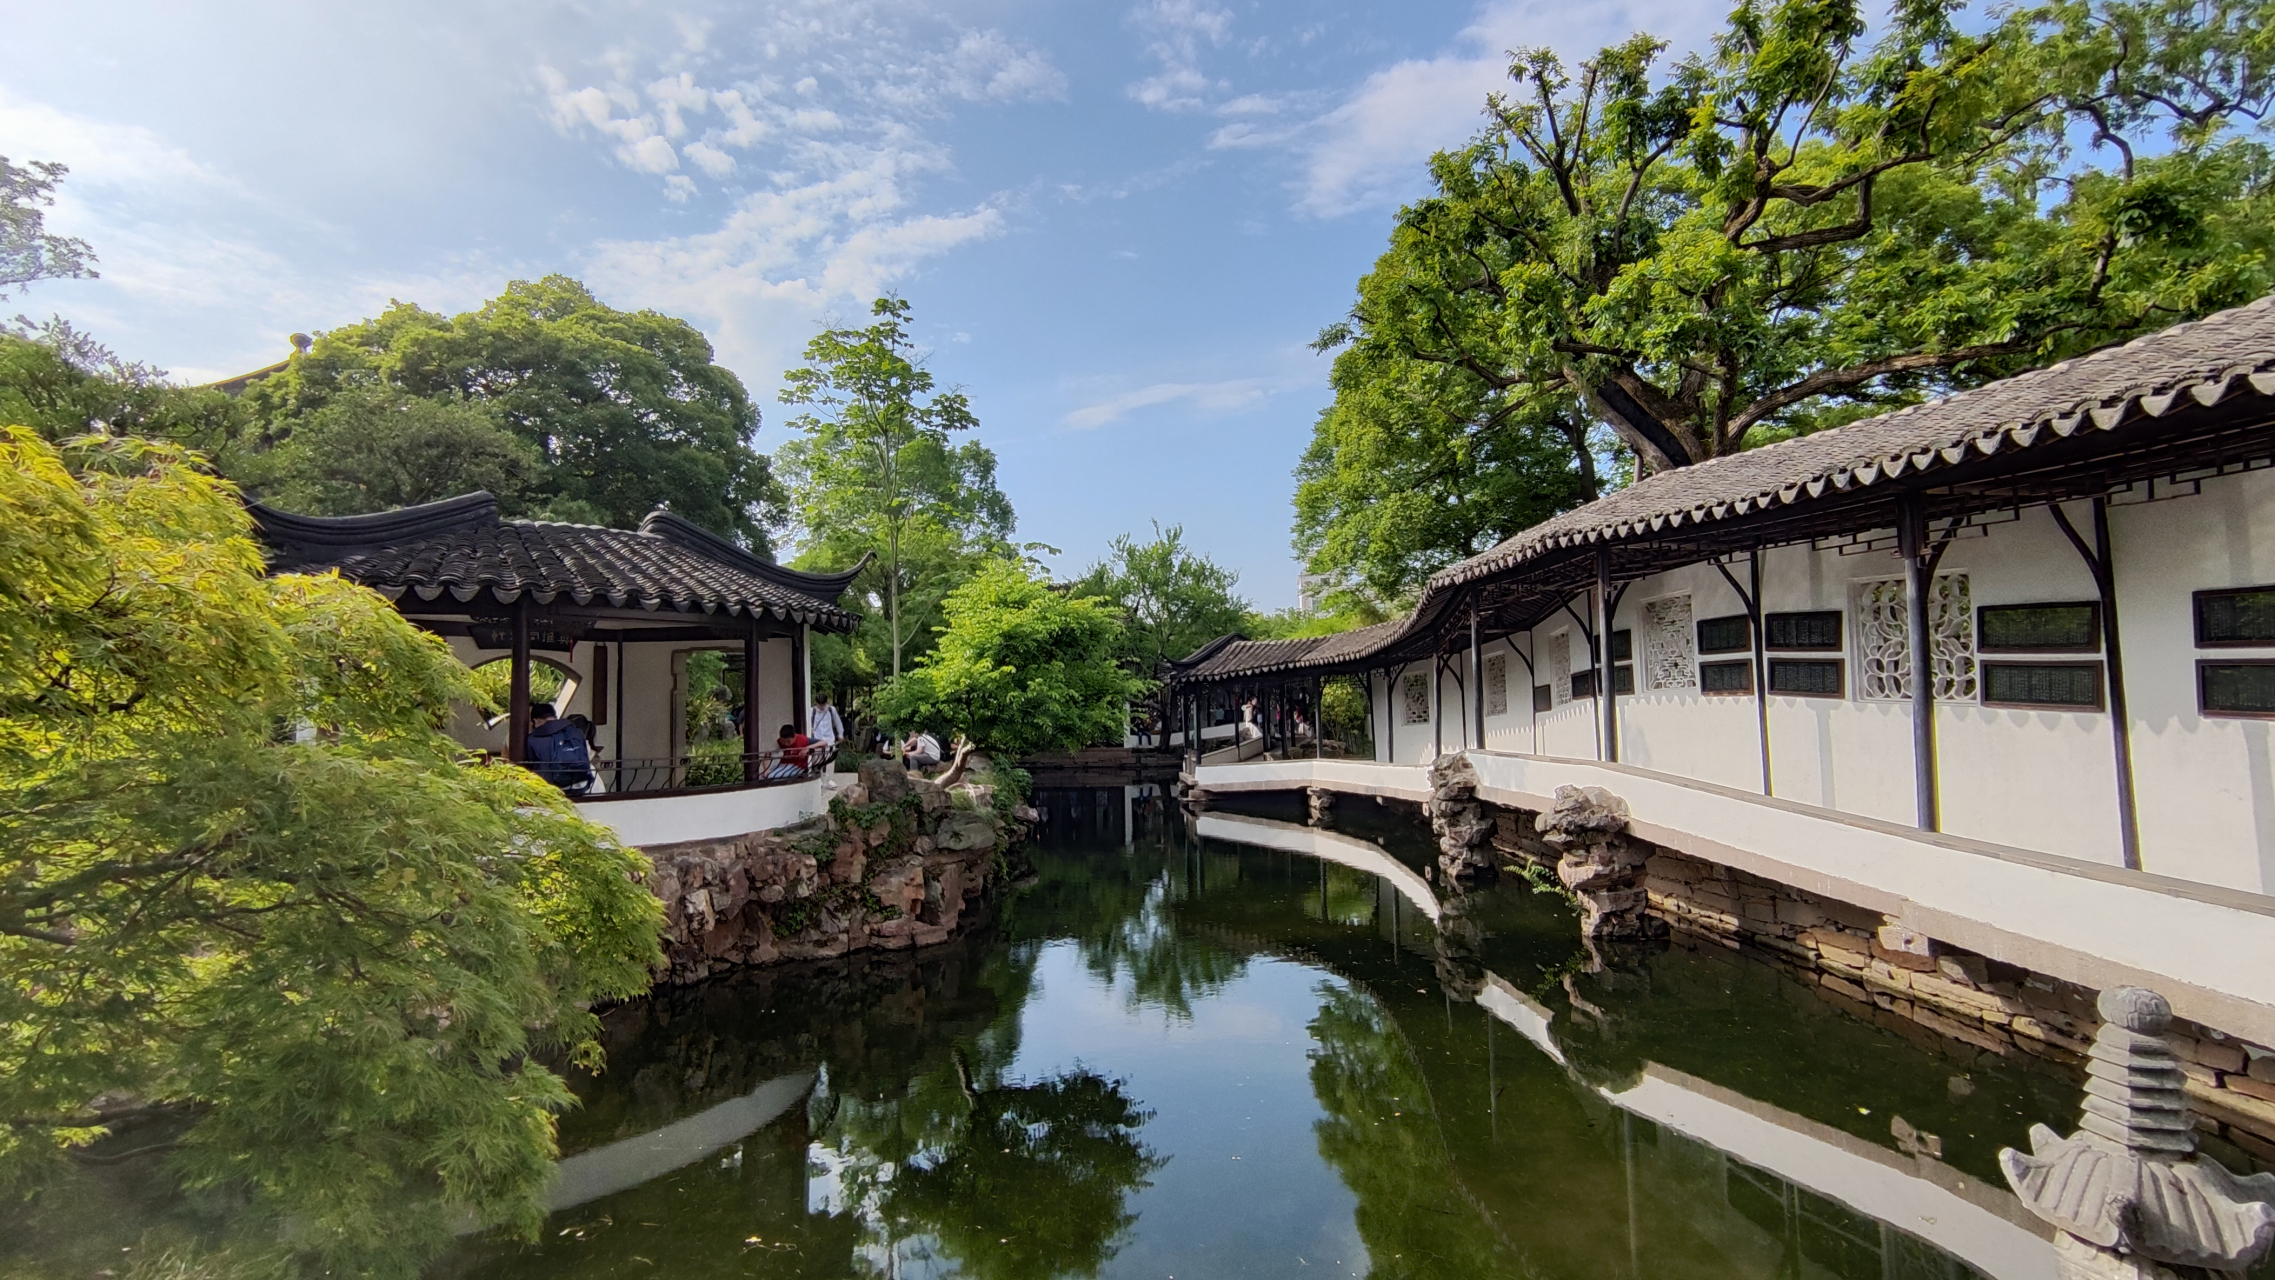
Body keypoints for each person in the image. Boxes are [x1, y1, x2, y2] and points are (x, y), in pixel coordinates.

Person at [523, 702, 594, 796]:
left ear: (536, 720)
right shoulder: (576, 731)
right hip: (582, 784)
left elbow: (530, 763)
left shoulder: (534, 738)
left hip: (554, 789)